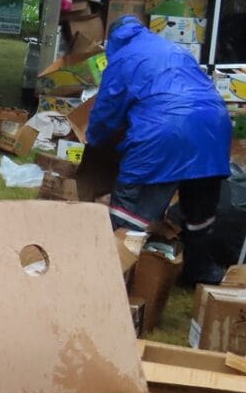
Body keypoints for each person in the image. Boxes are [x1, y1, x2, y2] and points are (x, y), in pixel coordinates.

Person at [87, 15, 232, 285]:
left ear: (113, 41)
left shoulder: (122, 58)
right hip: (214, 127)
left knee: (130, 209)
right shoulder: (175, 49)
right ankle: (200, 273)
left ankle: (114, 277)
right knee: (199, 210)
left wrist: (94, 142)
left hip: (164, 132)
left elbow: (107, 112)